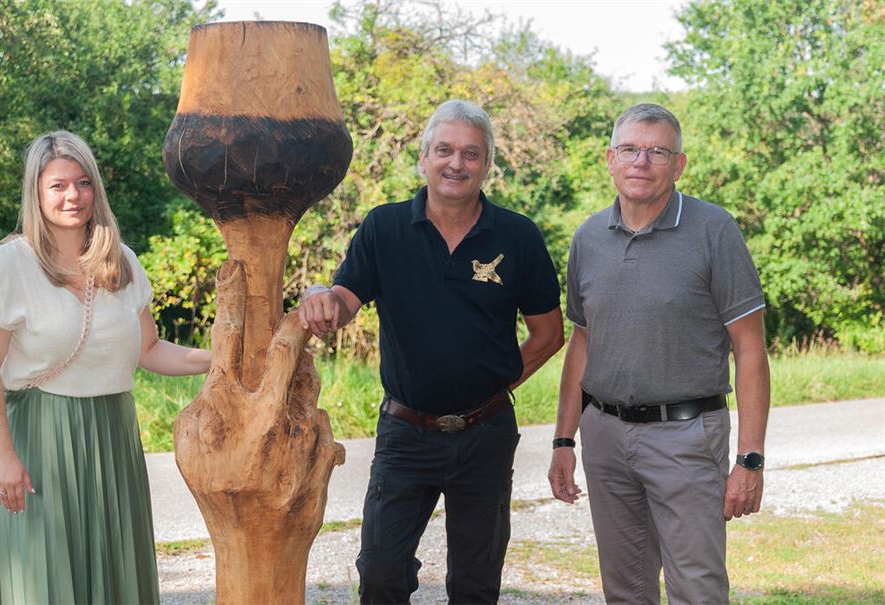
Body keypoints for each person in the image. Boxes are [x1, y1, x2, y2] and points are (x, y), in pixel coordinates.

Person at [299, 100, 565, 604]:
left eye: (471, 153)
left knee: (476, 584)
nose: (456, 163)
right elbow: (344, 302)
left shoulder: (519, 236)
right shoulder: (384, 227)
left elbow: (549, 335)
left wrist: (491, 388)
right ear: (423, 159)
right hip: (405, 433)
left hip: (486, 435)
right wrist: (318, 293)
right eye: (444, 150)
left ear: (488, 165)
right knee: (380, 574)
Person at [0, 131, 211, 604]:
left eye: (82, 183)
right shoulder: (9, 264)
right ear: (36, 193)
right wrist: (4, 455)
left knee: (114, 576)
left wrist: (217, 360)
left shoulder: (121, 264)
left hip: (112, 438)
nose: (72, 196)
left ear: (95, 188)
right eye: (57, 186)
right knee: (46, 583)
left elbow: (151, 348)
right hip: (36, 441)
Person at [547, 103, 771, 604]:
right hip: (604, 436)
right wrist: (564, 440)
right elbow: (582, 343)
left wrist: (750, 459)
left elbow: (750, 349)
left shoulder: (714, 230)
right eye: (630, 148)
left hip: (687, 437)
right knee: (625, 590)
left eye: (657, 151)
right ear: (610, 158)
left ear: (679, 164)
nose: (641, 161)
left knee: (697, 589)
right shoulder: (587, 238)